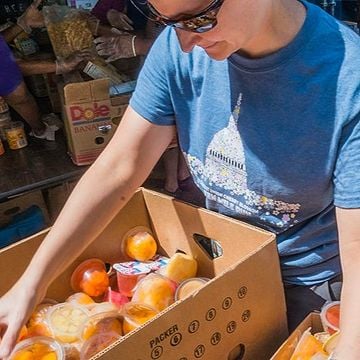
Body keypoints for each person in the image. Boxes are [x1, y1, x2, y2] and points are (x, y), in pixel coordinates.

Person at [0, 1, 359, 359]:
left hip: (307, 282)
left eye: (200, 19)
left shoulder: (346, 81)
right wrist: (32, 282)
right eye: (165, 21)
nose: (185, 43)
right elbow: (118, 168)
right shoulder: (178, 49)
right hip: (226, 261)